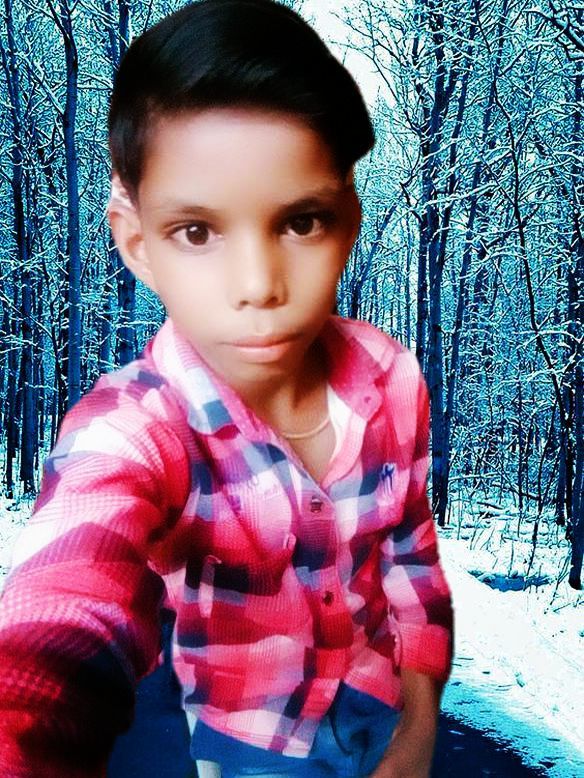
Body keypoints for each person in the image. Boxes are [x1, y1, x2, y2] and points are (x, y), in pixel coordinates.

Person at [0, 1, 454, 776]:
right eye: (197, 232)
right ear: (138, 245)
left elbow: (412, 558)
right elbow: (66, 596)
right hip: (251, 755)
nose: (258, 286)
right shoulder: (135, 427)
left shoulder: (390, 374)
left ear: (348, 220)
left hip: (388, 723)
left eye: (300, 222)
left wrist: (418, 729)